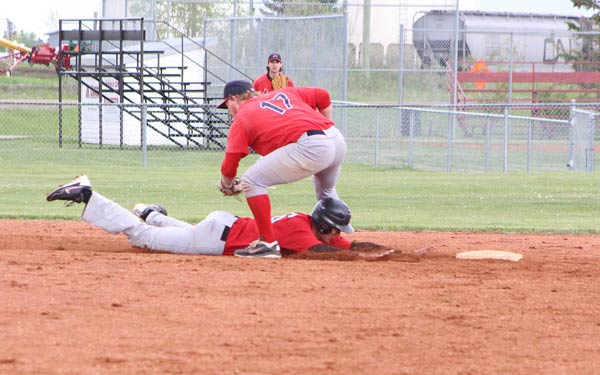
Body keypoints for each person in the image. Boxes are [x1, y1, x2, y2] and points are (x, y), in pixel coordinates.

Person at [45, 175, 392, 260]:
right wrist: (366, 258)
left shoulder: (305, 221)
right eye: (336, 230)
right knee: (141, 239)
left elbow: (347, 243)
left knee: (183, 233)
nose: (339, 236)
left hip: (221, 224)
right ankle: (88, 194)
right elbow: (332, 253)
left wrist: (389, 253)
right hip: (216, 239)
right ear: (325, 226)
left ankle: (151, 213)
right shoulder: (303, 237)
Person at [216, 80, 347, 259]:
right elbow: (322, 95)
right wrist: (325, 129)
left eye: (227, 106)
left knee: (252, 181)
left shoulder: (243, 117)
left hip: (312, 145)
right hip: (336, 139)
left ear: (234, 98)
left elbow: (230, 164)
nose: (228, 111)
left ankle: (267, 243)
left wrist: (227, 184)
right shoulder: (283, 93)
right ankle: (335, 239)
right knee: (326, 191)